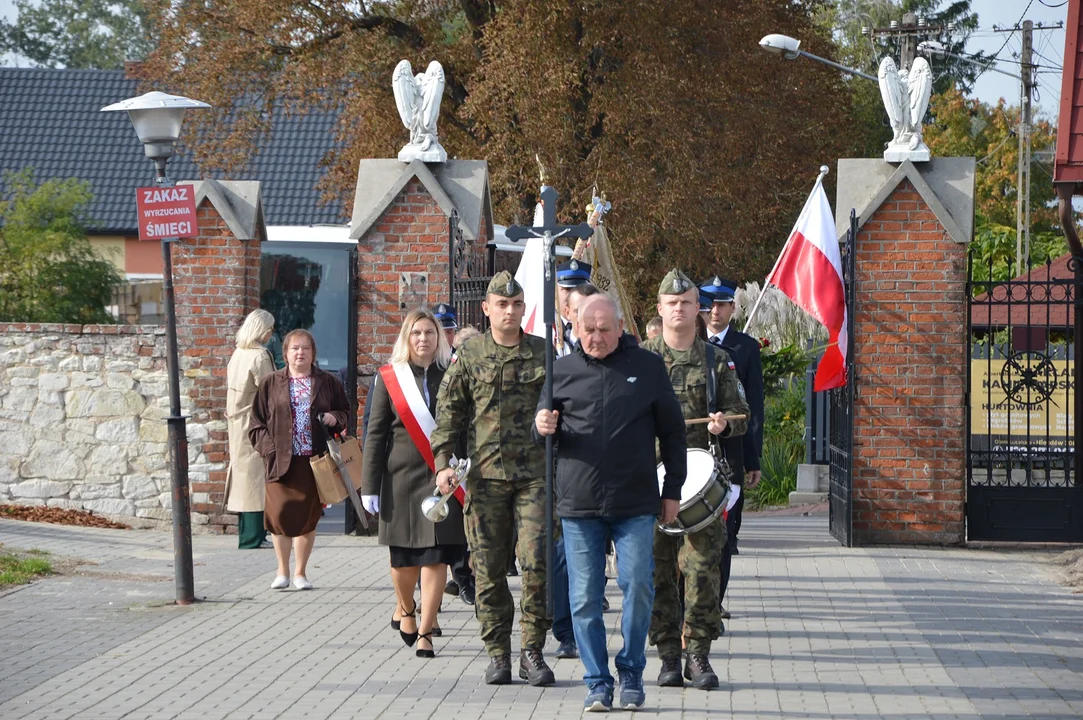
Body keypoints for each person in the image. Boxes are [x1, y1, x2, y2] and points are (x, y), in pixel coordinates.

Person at [534, 293, 687, 712]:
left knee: (637, 585)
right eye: (589, 330)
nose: (596, 337)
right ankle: (597, 681)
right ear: (576, 329)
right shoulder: (560, 371)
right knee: (583, 597)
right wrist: (540, 425)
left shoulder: (649, 368)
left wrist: (673, 490)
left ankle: (632, 670)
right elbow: (541, 435)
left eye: (605, 329)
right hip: (579, 504)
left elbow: (673, 433)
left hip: (635, 502)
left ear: (621, 328)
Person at [430, 271, 555, 687]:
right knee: (488, 568)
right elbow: (449, 413)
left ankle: (532, 650)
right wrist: (444, 462)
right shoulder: (469, 356)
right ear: (486, 309)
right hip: (485, 479)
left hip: (535, 477)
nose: (510, 311)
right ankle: (498, 652)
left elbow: (567, 405)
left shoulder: (543, 353)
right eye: (502, 305)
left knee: (537, 563)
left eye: (517, 304)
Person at [644, 269, 749, 690]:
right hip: (652, 482)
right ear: (660, 309)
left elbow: (742, 415)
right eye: (672, 303)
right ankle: (668, 654)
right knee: (659, 571)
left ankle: (698, 654)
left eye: (687, 302)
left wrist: (725, 425)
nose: (680, 309)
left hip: (701, 481)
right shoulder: (641, 358)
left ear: (697, 308)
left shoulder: (716, 361)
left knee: (703, 571)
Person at [360, 309, 466, 659]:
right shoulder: (389, 377)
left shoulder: (451, 373)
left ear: (439, 338)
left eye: (430, 333)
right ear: (407, 337)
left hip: (442, 477)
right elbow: (375, 434)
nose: (423, 339)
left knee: (436, 556)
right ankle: (406, 609)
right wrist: (369, 485)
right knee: (403, 559)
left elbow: (463, 426)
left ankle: (426, 630)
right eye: (417, 333)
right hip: (400, 477)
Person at [249, 329, 349, 591]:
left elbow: (346, 410)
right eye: (295, 348)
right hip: (280, 461)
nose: (300, 353)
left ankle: (300, 573)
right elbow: (255, 424)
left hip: (314, 461)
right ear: (286, 354)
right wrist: (269, 450)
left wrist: (334, 418)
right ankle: (282, 571)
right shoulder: (270, 383)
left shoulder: (327, 381)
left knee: (307, 518)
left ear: (313, 353)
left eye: (305, 348)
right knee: (279, 516)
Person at [700, 276, 764, 624]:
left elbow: (753, 407)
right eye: (708, 304)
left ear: (732, 308)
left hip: (731, 454)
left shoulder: (746, 348)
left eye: (721, 304)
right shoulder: (688, 344)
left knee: (725, 534)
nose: (714, 311)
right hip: (692, 457)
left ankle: (715, 599)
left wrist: (753, 457)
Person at [225, 309, 276, 549]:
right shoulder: (259, 356)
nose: (271, 333)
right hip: (255, 423)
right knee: (255, 481)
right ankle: (253, 538)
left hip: (236, 423)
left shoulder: (238, 353)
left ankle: (249, 534)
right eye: (269, 328)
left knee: (243, 479)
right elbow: (270, 391)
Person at [555, 259, 592, 356]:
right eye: (567, 289)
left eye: (578, 289)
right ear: (555, 292)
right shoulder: (544, 327)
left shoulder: (598, 327)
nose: (572, 295)